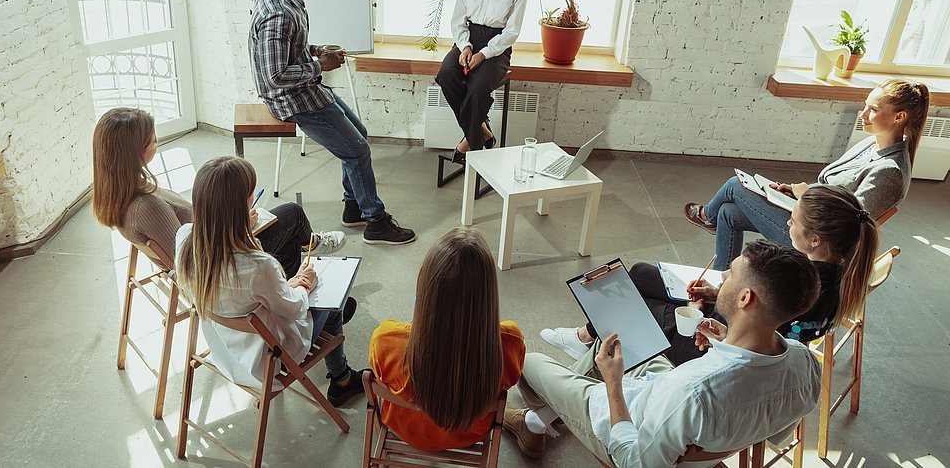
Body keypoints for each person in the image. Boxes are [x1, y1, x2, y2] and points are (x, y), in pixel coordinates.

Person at [503, 241, 822, 466]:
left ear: (744, 298)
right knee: (627, 337)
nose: (721, 276)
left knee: (528, 362)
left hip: (624, 423)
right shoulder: (805, 364)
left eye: (730, 274)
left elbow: (633, 461)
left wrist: (613, 385)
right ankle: (543, 415)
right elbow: (778, 434)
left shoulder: (692, 391)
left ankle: (533, 423)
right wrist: (727, 340)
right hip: (671, 405)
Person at [542, 184, 878, 366]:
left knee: (636, 300)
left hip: (713, 348)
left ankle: (589, 340)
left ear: (816, 240)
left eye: (794, 222)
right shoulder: (834, 274)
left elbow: (749, 333)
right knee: (641, 274)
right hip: (730, 327)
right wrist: (718, 295)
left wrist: (710, 311)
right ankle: (589, 336)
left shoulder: (801, 280)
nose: (787, 223)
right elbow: (762, 312)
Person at [249, 0, 415, 245]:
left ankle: (353, 207)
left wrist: (314, 50)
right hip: (292, 99)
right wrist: (320, 65)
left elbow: (287, 49)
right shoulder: (279, 12)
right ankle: (375, 222)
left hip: (304, 89)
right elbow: (275, 76)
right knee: (358, 150)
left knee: (359, 135)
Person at [175, 156, 365, 405]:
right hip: (268, 357)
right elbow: (295, 308)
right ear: (241, 206)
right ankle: (342, 379)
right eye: (250, 195)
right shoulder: (257, 266)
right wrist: (303, 282)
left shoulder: (185, 238)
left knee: (291, 264)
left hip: (226, 347)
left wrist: (291, 281)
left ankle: (329, 317)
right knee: (332, 300)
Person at [684, 78, 928, 270]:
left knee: (735, 185)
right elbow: (833, 188)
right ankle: (721, 280)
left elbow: (846, 225)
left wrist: (805, 198)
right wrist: (796, 190)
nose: (863, 114)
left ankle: (707, 216)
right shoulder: (870, 143)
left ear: (899, 117)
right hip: (807, 215)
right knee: (728, 212)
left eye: (872, 109)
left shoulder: (890, 173)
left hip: (819, 243)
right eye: (865, 106)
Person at [92, 107, 345, 277]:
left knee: (285, 229)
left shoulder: (118, 191)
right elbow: (193, 265)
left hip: (216, 239)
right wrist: (241, 226)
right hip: (224, 268)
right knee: (293, 215)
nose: (157, 141)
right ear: (133, 151)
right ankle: (302, 269)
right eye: (153, 140)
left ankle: (296, 290)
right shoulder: (146, 206)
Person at [368, 227, 525, 450]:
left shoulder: (386, 340)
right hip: (470, 434)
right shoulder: (511, 342)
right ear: (488, 292)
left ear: (425, 287)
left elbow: (380, 371)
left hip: (406, 431)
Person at [435, 0, 528, 163]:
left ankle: (470, 145)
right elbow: (457, 20)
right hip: (468, 38)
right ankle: (481, 132)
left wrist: (484, 54)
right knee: (446, 75)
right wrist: (465, 47)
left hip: (497, 46)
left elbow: (512, 31)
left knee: (477, 89)